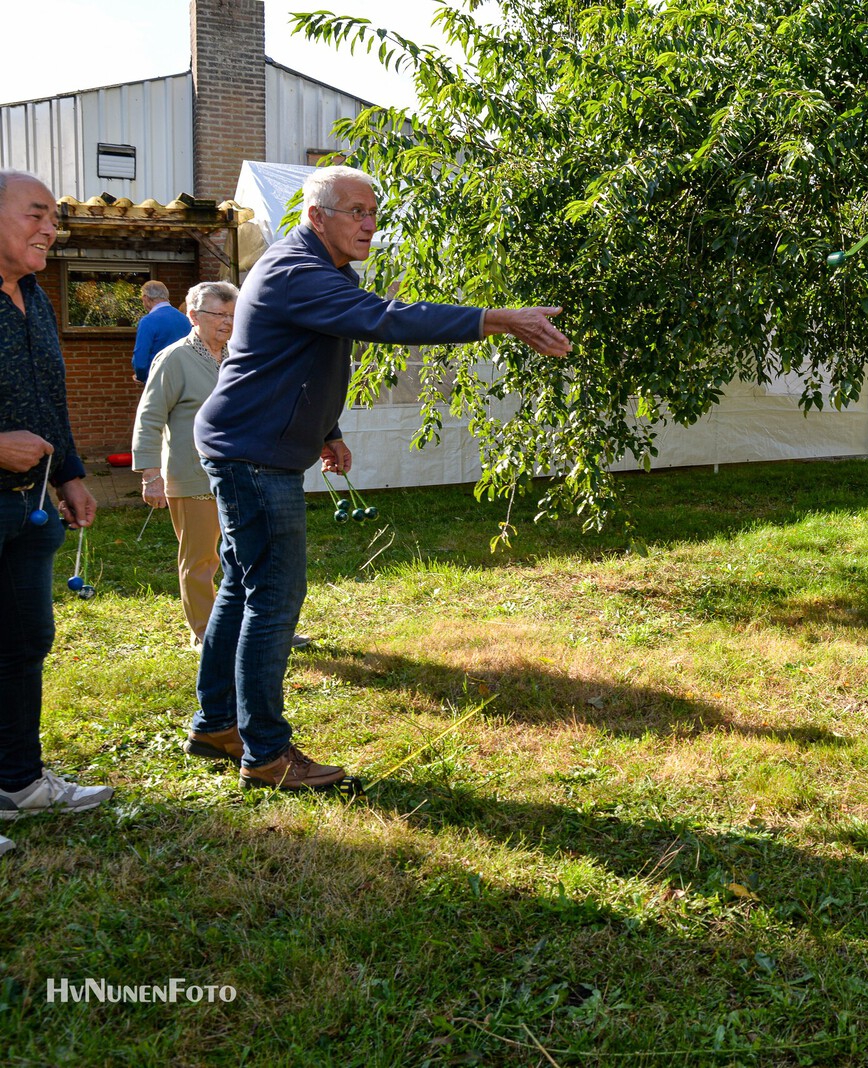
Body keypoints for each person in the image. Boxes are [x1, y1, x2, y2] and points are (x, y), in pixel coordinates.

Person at [185, 165, 573, 790]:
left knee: (241, 586)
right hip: (253, 455)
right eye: (356, 211)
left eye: (373, 211)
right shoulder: (294, 271)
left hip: (251, 445)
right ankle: (265, 753)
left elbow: (306, 359)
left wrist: (326, 430)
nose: (370, 223)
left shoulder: (321, 272)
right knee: (272, 600)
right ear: (317, 217)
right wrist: (498, 319)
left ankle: (217, 725)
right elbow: (387, 320)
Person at [0, 170, 113, 851]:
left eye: (55, 219)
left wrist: (69, 474)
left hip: (31, 509)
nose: (51, 228)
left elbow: (50, 397)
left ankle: (17, 782)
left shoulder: (36, 298)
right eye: (37, 214)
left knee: (23, 645)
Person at [130, 281, 237, 649]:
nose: (226, 322)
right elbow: (149, 416)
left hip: (239, 474)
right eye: (218, 314)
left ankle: (252, 627)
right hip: (193, 475)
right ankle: (206, 633)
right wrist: (150, 473)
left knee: (245, 557)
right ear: (192, 315)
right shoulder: (175, 358)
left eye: (231, 315)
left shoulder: (237, 355)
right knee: (201, 558)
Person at [131, 280, 191, 384]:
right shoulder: (185, 319)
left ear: (146, 298)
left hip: (158, 379)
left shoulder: (148, 321)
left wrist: (141, 376)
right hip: (183, 378)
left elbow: (140, 360)